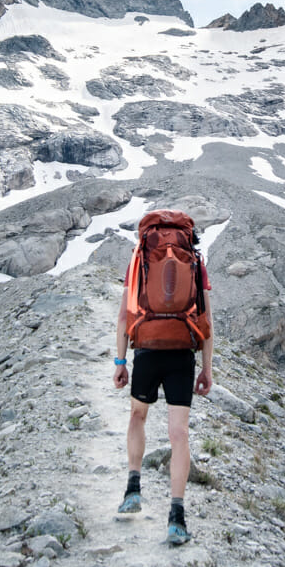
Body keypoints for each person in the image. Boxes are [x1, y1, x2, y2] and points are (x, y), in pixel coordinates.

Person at [112, 209, 215, 546]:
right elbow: (206, 319)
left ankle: (133, 488)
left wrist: (120, 360)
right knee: (179, 434)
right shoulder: (194, 261)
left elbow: (125, 313)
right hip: (181, 354)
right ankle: (177, 515)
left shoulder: (140, 257)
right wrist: (207, 368)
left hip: (147, 349)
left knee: (137, 416)